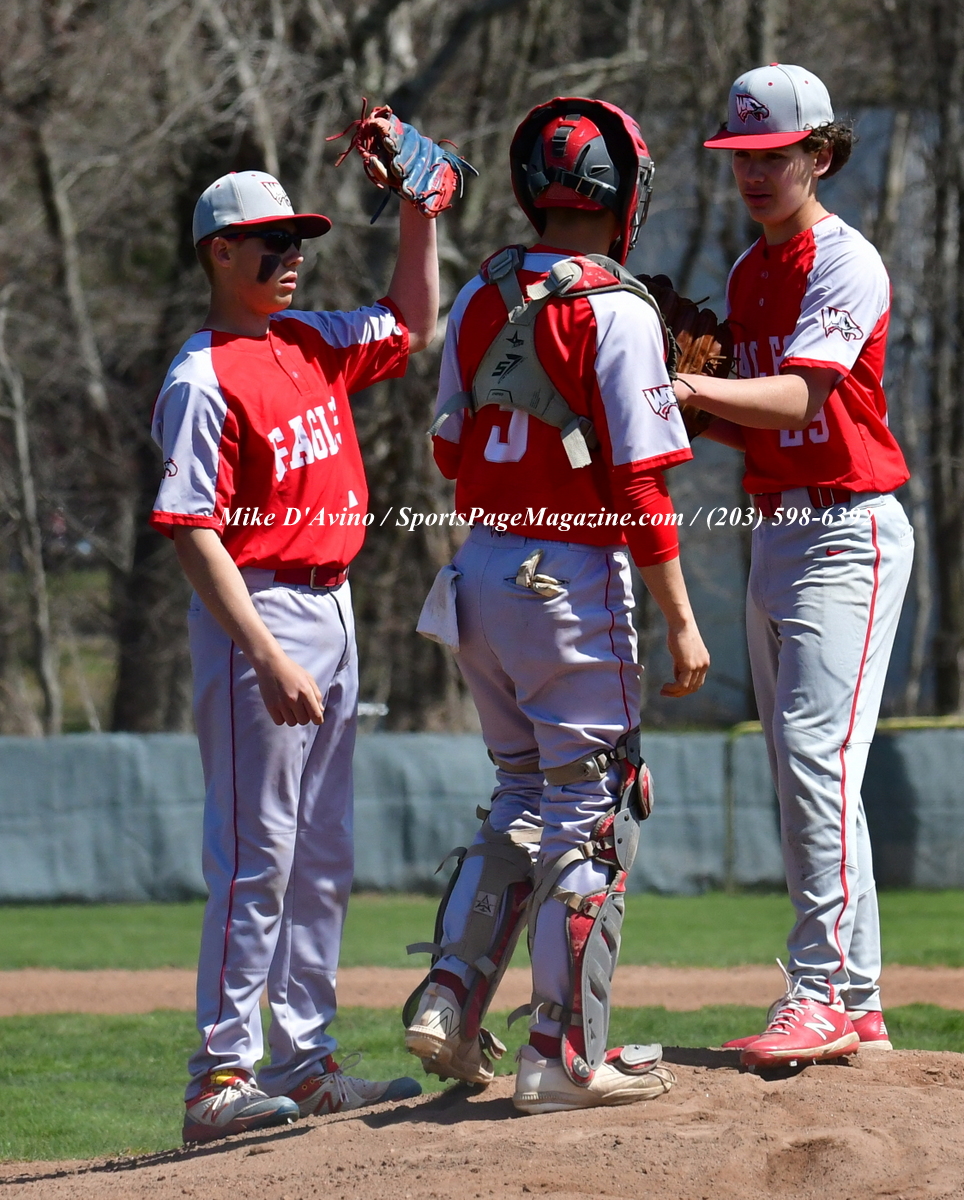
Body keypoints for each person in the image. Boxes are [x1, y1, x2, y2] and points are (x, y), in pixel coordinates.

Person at [402, 98, 710, 1114]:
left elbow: (447, 449)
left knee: (522, 794)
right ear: (624, 194)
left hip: (478, 572)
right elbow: (640, 488)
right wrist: (680, 617)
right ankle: (562, 1054)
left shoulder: (481, 292)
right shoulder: (617, 308)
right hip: (567, 579)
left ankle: (451, 995)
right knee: (595, 812)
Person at [150, 163, 439, 1142]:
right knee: (255, 854)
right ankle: (218, 1076)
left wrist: (418, 207)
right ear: (219, 253)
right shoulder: (200, 377)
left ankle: (304, 1062)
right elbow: (192, 531)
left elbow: (412, 321)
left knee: (320, 855)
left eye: (300, 240)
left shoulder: (306, 340)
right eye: (272, 242)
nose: (293, 257)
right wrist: (266, 654)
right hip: (260, 608)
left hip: (334, 599)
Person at [678, 64, 913, 1067]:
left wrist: (687, 388)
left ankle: (817, 990)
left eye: (772, 155)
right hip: (777, 529)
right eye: (740, 156)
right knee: (808, 773)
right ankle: (857, 1001)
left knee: (816, 758)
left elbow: (804, 399)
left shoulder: (845, 261)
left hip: (848, 530)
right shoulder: (748, 271)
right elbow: (756, 423)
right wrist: (689, 397)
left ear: (818, 154)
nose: (753, 173)